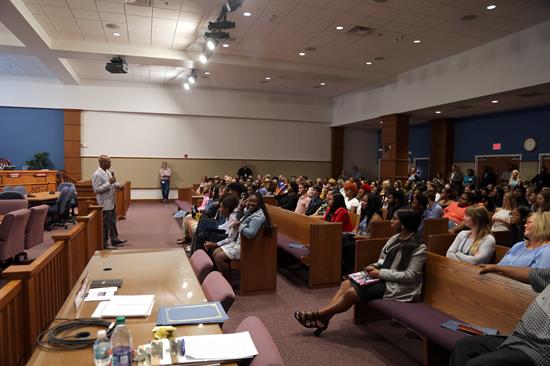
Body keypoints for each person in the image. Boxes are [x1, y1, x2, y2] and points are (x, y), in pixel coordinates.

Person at [294, 209, 426, 336]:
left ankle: (318, 314)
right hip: (381, 276)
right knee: (346, 284)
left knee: (351, 293)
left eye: (395, 219)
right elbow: (383, 259)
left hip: (398, 285)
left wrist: (379, 274)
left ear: (404, 224)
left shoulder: (418, 247)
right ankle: (323, 320)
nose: (391, 220)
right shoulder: (395, 238)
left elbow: (410, 276)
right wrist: (374, 266)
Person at [450, 267, 550, 366]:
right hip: (518, 338)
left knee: (478, 364)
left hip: (540, 351)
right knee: (464, 347)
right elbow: (533, 274)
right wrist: (496, 267)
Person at [208, 192, 272, 281]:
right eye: (249, 201)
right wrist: (241, 208)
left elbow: (250, 234)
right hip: (240, 242)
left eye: (254, 202)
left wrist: (239, 225)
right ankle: (224, 275)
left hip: (247, 246)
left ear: (260, 203)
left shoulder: (258, 216)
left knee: (219, 257)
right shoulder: (250, 211)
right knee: (215, 252)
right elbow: (238, 218)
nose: (250, 203)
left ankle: (229, 282)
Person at [486, 212, 550, 269]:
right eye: (525, 223)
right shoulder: (519, 245)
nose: (525, 225)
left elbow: (537, 277)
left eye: (529, 222)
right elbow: (499, 265)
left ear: (542, 225)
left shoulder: (547, 250)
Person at [92, 155, 127, 250]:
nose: (110, 163)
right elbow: (96, 189)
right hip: (104, 203)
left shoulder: (107, 171)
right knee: (105, 224)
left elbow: (113, 182)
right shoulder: (97, 174)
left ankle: (114, 239)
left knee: (112, 222)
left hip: (111, 201)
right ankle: (105, 243)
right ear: (102, 163)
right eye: (109, 161)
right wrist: (109, 183)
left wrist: (119, 186)